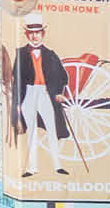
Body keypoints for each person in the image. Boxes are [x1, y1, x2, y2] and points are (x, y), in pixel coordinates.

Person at [10, 13, 72, 178]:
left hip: (45, 93)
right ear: (27, 34)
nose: (35, 35)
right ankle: (32, 167)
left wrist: (58, 92)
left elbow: (63, 76)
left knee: (51, 129)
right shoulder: (21, 53)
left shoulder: (50, 54)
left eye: (37, 32)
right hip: (28, 93)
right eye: (31, 32)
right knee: (31, 131)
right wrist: (17, 102)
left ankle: (58, 165)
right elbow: (16, 78)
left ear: (42, 33)